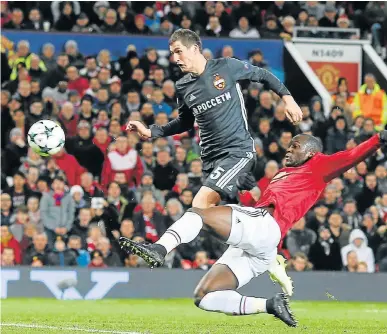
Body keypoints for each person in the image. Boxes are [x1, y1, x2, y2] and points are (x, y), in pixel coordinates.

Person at [120, 130, 387, 328]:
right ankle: (269, 304)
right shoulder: (282, 175)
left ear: (310, 153)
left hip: (264, 227)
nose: (288, 149)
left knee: (198, 214)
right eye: (289, 144)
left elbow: (350, 157)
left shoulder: (318, 166)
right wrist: (247, 187)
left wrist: (379, 139)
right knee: (203, 296)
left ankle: (158, 248)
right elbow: (262, 203)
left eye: (295, 146)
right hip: (262, 246)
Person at [127, 29, 302, 209]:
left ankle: (165, 239)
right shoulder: (182, 86)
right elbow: (184, 122)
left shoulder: (226, 67)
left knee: (200, 205)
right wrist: (151, 131)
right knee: (223, 215)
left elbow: (263, 75)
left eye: (178, 51)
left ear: (194, 48)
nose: (175, 58)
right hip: (211, 160)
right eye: (172, 53)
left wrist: (288, 99)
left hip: (237, 151)